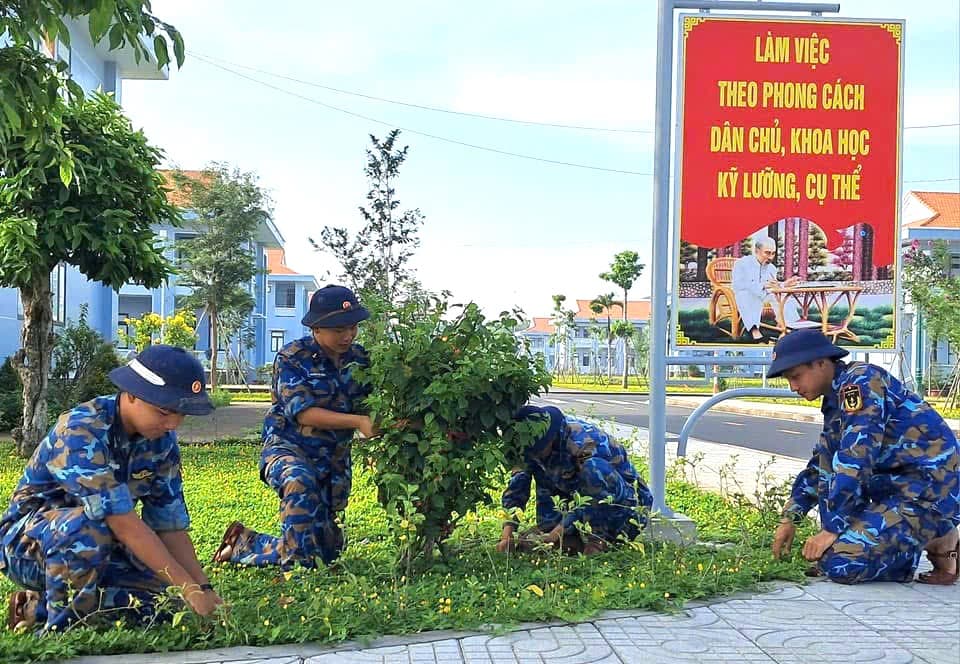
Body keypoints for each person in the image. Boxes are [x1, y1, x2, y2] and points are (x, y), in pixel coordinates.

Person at [0, 345, 220, 633]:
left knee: (165, 606)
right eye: (164, 412)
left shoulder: (162, 442)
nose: (173, 424)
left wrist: (202, 588)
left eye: (182, 415)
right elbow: (122, 522)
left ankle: (36, 607)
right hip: (30, 546)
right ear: (132, 394)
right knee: (89, 527)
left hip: (103, 545)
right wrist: (189, 588)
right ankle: (63, 630)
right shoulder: (81, 430)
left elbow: (169, 527)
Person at [769, 329, 960, 585]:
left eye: (796, 376)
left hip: (929, 492)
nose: (793, 387)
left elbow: (856, 460)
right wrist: (790, 518)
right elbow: (820, 467)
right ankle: (901, 542)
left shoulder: (860, 383)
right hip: (895, 491)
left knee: (841, 563)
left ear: (821, 363)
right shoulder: (835, 398)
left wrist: (832, 530)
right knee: (829, 480)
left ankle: (941, 538)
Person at [213, 285, 375, 569]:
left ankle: (242, 544)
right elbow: (303, 413)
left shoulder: (361, 360)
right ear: (316, 328)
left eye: (352, 327)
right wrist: (359, 422)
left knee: (325, 552)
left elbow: (374, 402)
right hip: (288, 448)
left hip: (333, 458)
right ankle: (296, 575)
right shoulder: (292, 358)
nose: (348, 335)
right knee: (298, 480)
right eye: (338, 330)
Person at [496, 406, 653, 555]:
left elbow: (590, 494)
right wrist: (507, 534)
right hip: (575, 503)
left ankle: (598, 540)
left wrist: (557, 533)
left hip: (623, 508)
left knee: (593, 469)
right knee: (530, 543)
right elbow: (517, 487)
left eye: (539, 449)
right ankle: (569, 539)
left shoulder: (582, 443)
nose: (535, 455)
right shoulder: (527, 446)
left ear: (550, 437)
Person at [731, 236, 799, 341]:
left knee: (783, 295)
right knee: (747, 295)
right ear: (757, 251)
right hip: (746, 295)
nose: (771, 257)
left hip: (765, 294)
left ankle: (789, 326)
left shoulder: (771, 268)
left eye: (773, 253)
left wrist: (784, 284)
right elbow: (738, 284)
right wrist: (762, 285)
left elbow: (772, 285)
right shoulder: (742, 264)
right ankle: (754, 330)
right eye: (767, 253)